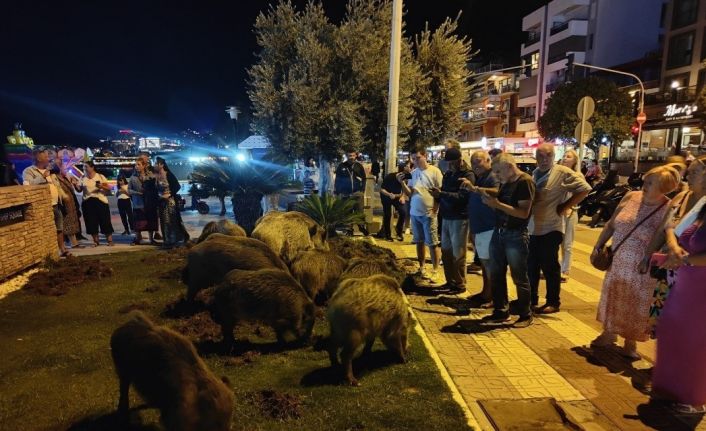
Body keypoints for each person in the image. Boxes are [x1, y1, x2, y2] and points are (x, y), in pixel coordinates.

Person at [591, 166, 679, 359]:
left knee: (636, 301)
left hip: (641, 263)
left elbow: (660, 235)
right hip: (618, 258)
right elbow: (611, 223)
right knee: (614, 296)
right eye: (645, 181)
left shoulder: (667, 207)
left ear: (663, 187)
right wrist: (599, 245)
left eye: (650, 183)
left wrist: (647, 257)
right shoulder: (631, 196)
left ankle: (629, 343)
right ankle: (609, 333)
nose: (644, 185)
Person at [651, 204, 706, 414]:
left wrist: (685, 260)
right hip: (684, 284)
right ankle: (671, 389)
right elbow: (673, 228)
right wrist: (674, 249)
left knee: (695, 343)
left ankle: (694, 399)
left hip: (701, 290)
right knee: (671, 333)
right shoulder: (702, 206)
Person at [528, 144, 591, 313]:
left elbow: (585, 189)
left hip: (552, 227)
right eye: (540, 156)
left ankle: (553, 302)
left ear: (554, 156)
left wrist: (565, 206)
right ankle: (531, 299)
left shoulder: (562, 172)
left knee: (550, 267)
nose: (544, 159)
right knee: (531, 266)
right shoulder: (535, 173)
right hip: (533, 228)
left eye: (548, 155)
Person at [480, 153, 536, 327]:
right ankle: (500, 311)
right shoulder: (507, 182)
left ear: (509, 167)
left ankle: (525, 314)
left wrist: (496, 205)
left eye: (498, 172)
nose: (496, 176)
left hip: (515, 234)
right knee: (496, 273)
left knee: (519, 276)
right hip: (499, 232)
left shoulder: (524, 182)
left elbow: (523, 212)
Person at [398, 146, 444, 284]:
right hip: (415, 212)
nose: (415, 161)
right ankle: (422, 267)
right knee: (419, 242)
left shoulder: (435, 171)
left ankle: (435, 270)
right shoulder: (414, 172)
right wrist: (401, 183)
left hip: (428, 212)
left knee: (432, 243)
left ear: (425, 156)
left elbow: (440, 192)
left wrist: (435, 209)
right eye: (413, 158)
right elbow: (410, 193)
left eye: (418, 157)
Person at [460, 150, 499, 307]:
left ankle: (493, 297)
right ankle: (485, 292)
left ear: (488, 161)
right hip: (479, 227)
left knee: (490, 264)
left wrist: (474, 189)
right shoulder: (481, 177)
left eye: (479, 161)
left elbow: (497, 192)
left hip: (489, 227)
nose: (476, 165)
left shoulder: (493, 176)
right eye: (473, 162)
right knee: (484, 263)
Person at [431, 147, 473, 293]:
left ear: (459, 160)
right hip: (447, 217)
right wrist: (437, 195)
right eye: (447, 162)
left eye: (451, 162)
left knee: (458, 253)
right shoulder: (448, 174)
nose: (449, 165)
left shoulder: (467, 175)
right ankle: (450, 281)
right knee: (446, 251)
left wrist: (442, 194)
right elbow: (443, 193)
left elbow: (462, 197)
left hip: (459, 218)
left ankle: (460, 284)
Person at [23, 148, 71, 257]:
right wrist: (42, 177)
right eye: (45, 157)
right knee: (46, 229)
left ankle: (62, 250)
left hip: (56, 204)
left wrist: (64, 196)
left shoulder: (50, 172)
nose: (48, 159)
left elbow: (56, 187)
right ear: (38, 158)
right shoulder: (29, 171)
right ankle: (48, 252)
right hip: (41, 206)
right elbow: (27, 186)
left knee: (59, 228)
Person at [559, 149, 582, 283]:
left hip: (570, 213)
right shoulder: (558, 174)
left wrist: (570, 207)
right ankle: (555, 269)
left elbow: (581, 194)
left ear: (574, 161)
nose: (565, 158)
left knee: (567, 244)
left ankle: (565, 270)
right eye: (564, 156)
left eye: (568, 157)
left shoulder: (577, 175)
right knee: (555, 244)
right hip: (558, 213)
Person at [154, 157, 188, 248]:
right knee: (163, 221)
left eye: (156, 163)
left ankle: (174, 240)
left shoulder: (168, 174)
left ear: (162, 165)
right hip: (161, 202)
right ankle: (167, 240)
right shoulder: (156, 176)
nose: (155, 165)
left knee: (170, 221)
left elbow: (177, 186)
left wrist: (169, 194)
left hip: (169, 202)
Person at [79, 161, 114, 246]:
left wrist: (101, 186)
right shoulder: (83, 177)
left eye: (86, 166)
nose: (84, 169)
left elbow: (109, 189)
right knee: (91, 222)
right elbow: (79, 190)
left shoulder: (100, 176)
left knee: (105, 221)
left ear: (92, 167)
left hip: (100, 201)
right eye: (84, 167)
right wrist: (75, 185)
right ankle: (96, 241)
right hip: (87, 202)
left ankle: (109, 241)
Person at [334, 150, 369, 236]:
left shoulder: (359, 166)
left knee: (359, 211)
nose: (352, 157)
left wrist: (362, 190)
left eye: (353, 155)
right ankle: (349, 229)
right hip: (345, 194)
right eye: (350, 155)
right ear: (347, 156)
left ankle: (361, 227)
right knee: (347, 212)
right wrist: (338, 191)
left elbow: (364, 178)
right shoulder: (341, 166)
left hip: (357, 193)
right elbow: (337, 180)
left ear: (356, 156)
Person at [53, 157, 83, 249]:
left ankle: (74, 242)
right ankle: (70, 243)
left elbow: (77, 189)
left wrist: (76, 184)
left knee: (72, 223)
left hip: (71, 204)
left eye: (61, 164)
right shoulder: (55, 178)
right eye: (59, 164)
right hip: (63, 204)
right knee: (66, 224)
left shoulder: (66, 177)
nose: (62, 166)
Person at [129, 158, 158, 245]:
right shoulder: (133, 177)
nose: (136, 166)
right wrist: (137, 193)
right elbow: (129, 190)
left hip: (149, 203)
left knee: (150, 222)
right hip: (138, 203)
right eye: (136, 165)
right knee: (138, 222)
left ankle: (151, 239)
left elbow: (155, 187)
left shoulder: (151, 176)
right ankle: (138, 239)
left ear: (144, 165)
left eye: (138, 164)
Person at [377, 163, 408, 241]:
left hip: (396, 196)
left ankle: (399, 231)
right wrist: (389, 194)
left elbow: (405, 190)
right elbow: (381, 189)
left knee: (403, 212)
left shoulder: (405, 179)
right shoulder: (390, 176)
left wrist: (402, 196)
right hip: (386, 196)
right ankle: (387, 235)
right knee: (388, 214)